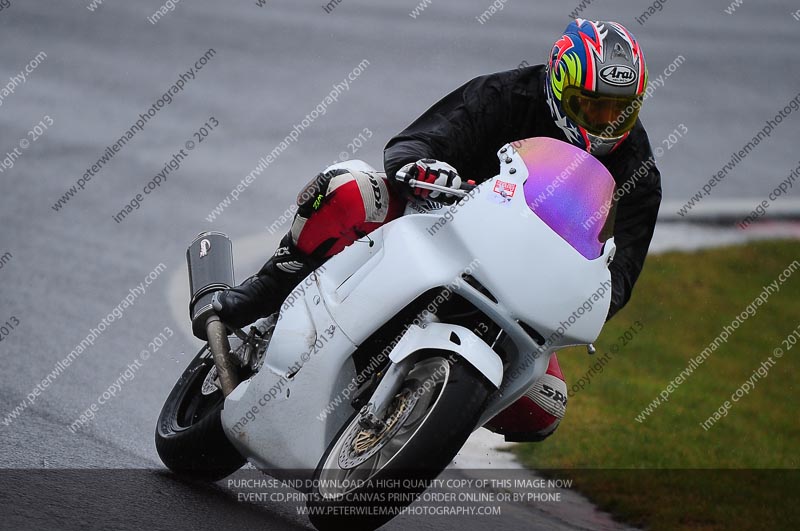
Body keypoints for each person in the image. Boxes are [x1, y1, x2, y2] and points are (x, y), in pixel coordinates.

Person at [213, 19, 661, 442]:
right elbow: (420, 138)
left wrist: (589, 300)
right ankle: (263, 292)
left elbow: (622, 273)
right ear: (558, 84)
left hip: (521, 283)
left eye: (619, 112)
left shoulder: (636, 164)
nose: (604, 123)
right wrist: (423, 166)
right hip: (437, 223)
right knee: (346, 189)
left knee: (544, 406)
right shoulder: (505, 94)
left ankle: (424, 420)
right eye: (592, 106)